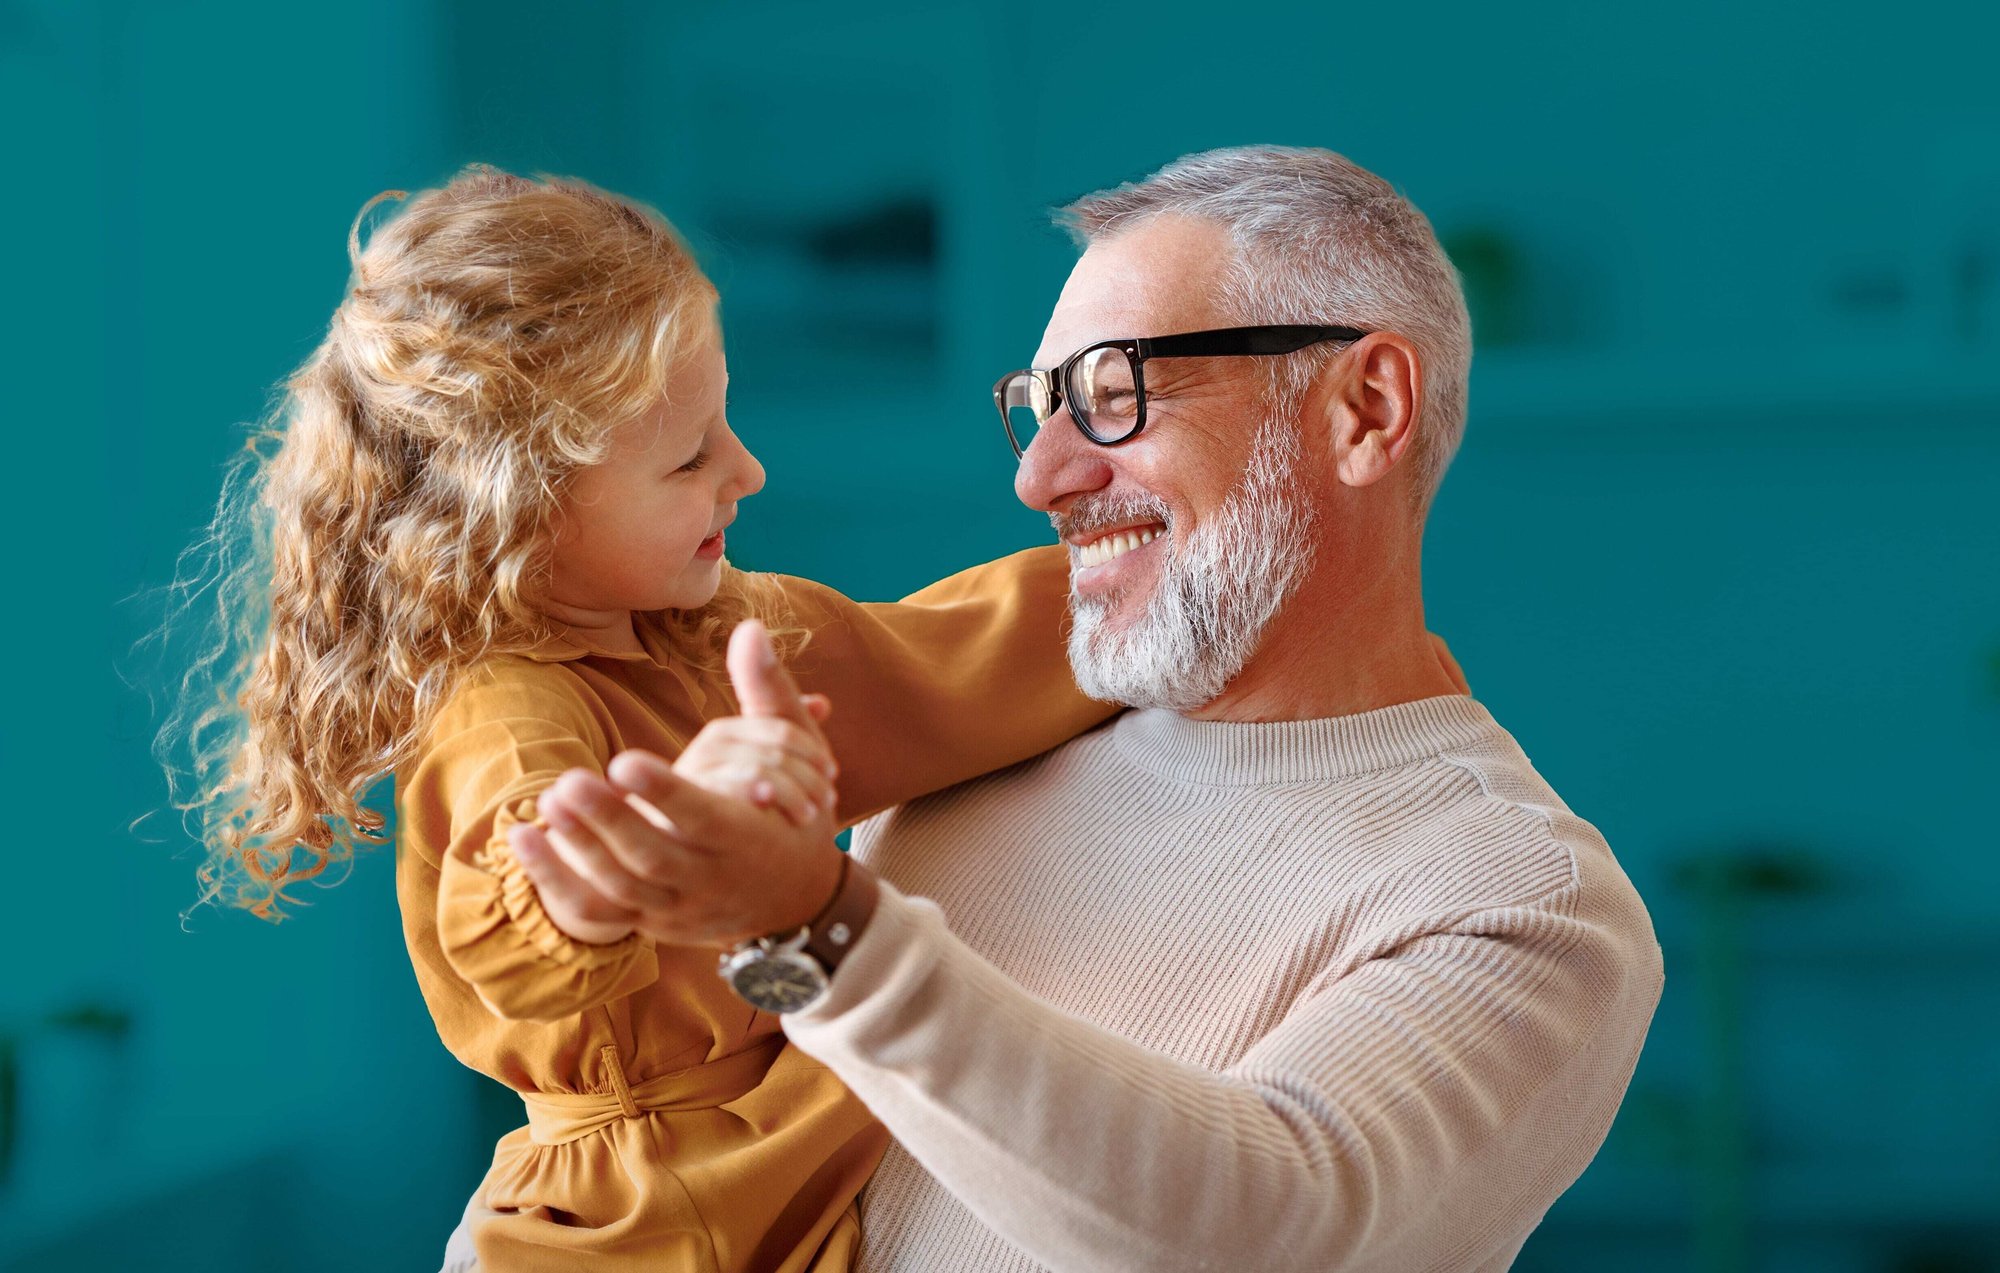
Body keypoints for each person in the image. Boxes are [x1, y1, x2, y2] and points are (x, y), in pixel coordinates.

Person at [512, 146, 1665, 1272]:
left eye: (1116, 396)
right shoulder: (977, 750)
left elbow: (1265, 1228)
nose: (1041, 474)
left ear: (1363, 407)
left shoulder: (1521, 903)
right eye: (1038, 403)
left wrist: (814, 923)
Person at [159, 165, 1122, 1272]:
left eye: (726, 426)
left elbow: (939, 659)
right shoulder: (503, 710)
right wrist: (635, 851)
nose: (747, 470)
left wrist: (1160, 589)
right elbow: (522, 901)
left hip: (764, 1139)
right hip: (632, 1223)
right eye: (689, 457)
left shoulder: (714, 630)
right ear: (519, 503)